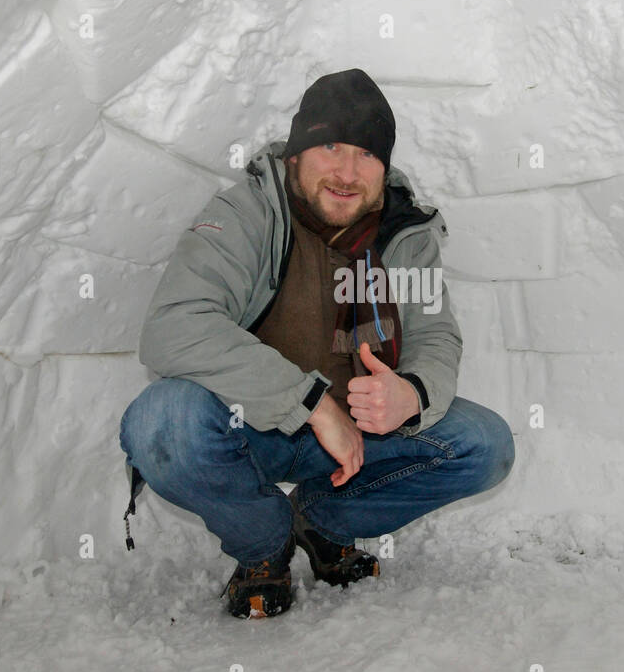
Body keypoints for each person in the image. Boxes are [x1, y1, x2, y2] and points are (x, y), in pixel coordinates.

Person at [119, 68, 515, 618]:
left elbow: (434, 335)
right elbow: (174, 325)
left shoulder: (405, 234)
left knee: (484, 445)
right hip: (253, 427)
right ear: (296, 155)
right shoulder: (247, 213)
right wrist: (308, 402)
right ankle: (265, 544)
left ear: (385, 166)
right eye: (330, 146)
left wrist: (413, 394)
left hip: (360, 436)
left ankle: (323, 519)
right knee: (162, 423)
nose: (347, 171)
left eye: (367, 154)